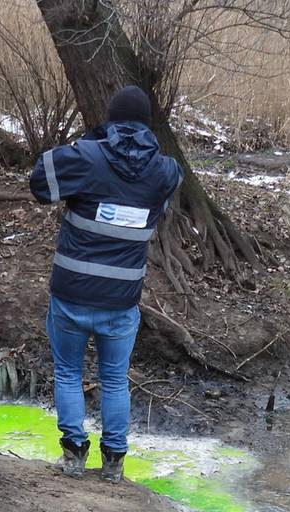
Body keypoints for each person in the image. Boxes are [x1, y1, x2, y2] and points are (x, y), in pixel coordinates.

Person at [29, 85, 183, 482]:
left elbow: (39, 182)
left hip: (71, 295)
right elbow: (164, 195)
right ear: (147, 126)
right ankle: (113, 463)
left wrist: (86, 145)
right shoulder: (164, 170)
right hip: (121, 301)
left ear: (111, 119)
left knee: (67, 373)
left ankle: (74, 456)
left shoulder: (88, 157)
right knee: (115, 379)